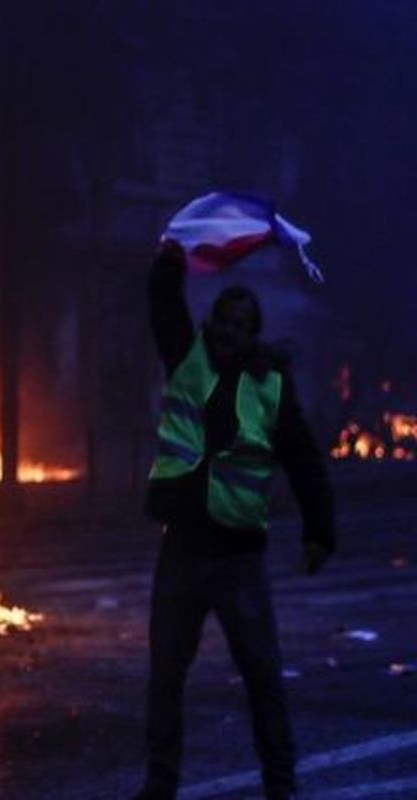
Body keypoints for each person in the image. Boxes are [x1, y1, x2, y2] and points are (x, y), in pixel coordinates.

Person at [134, 240, 336, 800]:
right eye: (224, 321)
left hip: (237, 557)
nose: (229, 332)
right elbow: (162, 304)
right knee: (167, 676)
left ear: (254, 334)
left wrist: (321, 529)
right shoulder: (187, 357)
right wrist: (170, 257)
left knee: (263, 679)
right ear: (212, 323)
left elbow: (302, 457)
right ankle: (160, 783)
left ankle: (281, 785)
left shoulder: (271, 386)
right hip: (182, 549)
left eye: (242, 325)